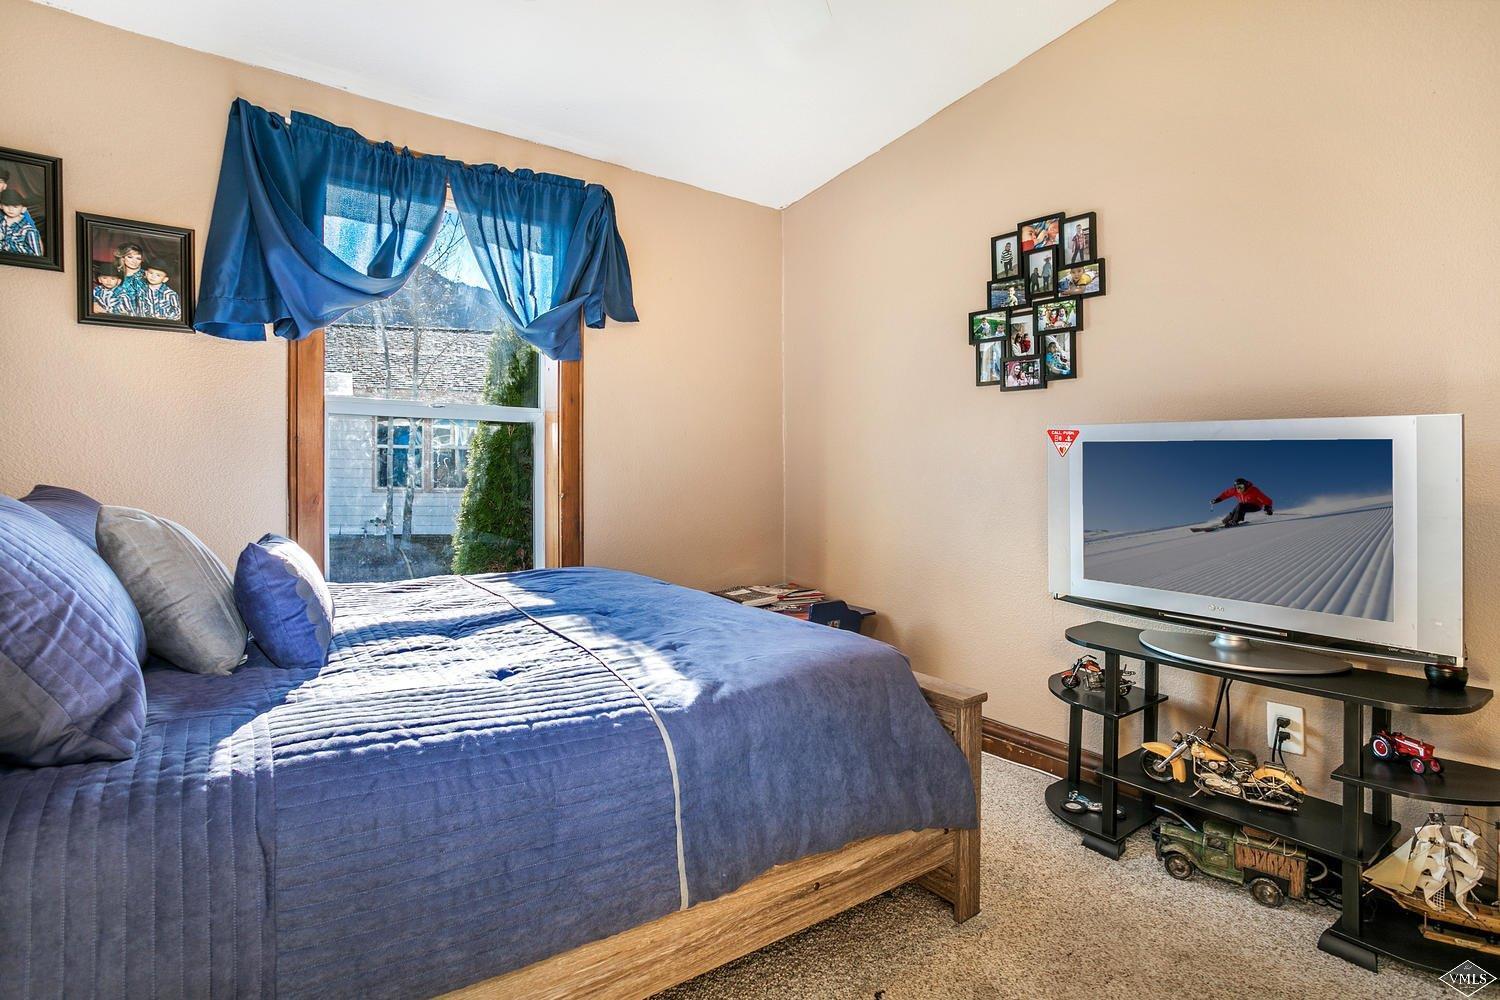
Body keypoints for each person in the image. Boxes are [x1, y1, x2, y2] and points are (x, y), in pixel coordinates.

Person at [0, 189, 42, 256]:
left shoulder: (29, 230)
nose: (11, 209)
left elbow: (37, 255)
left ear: (23, 209)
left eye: (15, 207)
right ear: (1, 206)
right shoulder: (1, 224)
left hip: (20, 263)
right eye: (7, 205)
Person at [112, 242, 148, 314]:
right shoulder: (114, 275)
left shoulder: (147, 276)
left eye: (138, 258)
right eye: (130, 257)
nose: (134, 261)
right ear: (122, 258)